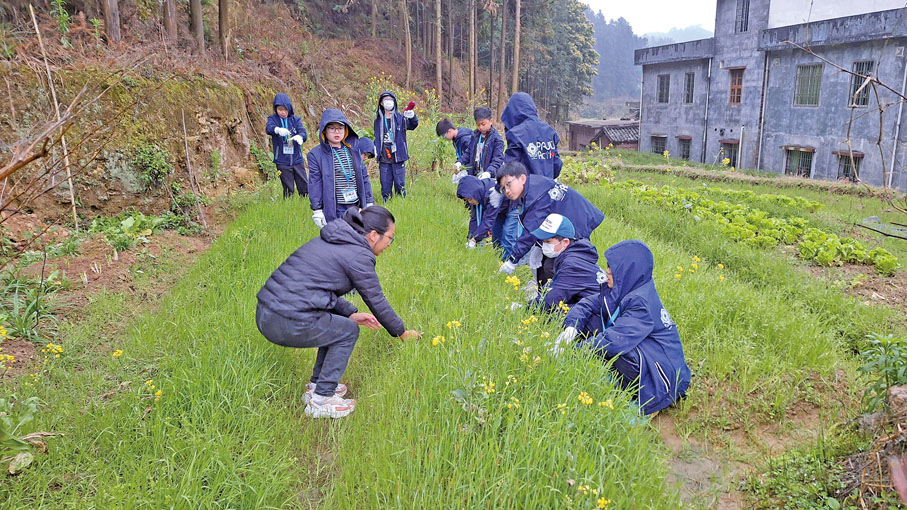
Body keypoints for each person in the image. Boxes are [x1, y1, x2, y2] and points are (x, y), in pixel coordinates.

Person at [256, 206, 422, 419]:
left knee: (337, 325)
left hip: (269, 312)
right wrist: (402, 333)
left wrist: (350, 312)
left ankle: (316, 386)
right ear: (373, 235)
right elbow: (376, 300)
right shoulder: (358, 254)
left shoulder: (338, 240)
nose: (390, 244)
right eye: (390, 237)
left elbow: (318, 289)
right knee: (347, 331)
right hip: (283, 319)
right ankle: (321, 400)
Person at [555, 239, 691, 416]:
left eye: (613, 268)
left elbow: (614, 340)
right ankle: (614, 376)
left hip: (664, 377)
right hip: (651, 354)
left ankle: (639, 397)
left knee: (620, 352)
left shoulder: (640, 302)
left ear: (627, 271)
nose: (607, 271)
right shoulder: (628, 287)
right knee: (589, 318)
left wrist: (571, 351)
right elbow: (588, 303)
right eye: (608, 266)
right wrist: (570, 329)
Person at [496, 162, 604, 290]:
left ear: (522, 178)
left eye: (508, 184)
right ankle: (545, 294)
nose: (507, 191)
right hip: (568, 221)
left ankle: (573, 295)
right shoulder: (533, 186)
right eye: (503, 188)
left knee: (566, 264)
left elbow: (531, 230)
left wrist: (512, 260)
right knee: (545, 263)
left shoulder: (537, 195)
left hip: (576, 222)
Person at [308, 109, 375, 227]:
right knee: (338, 238)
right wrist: (317, 210)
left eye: (340, 128)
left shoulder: (353, 149)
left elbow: (364, 177)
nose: (336, 131)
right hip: (336, 207)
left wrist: (369, 201)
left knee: (357, 237)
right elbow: (315, 183)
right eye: (332, 128)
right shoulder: (316, 155)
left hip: (356, 204)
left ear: (346, 129)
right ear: (324, 130)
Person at [525, 213, 602, 312]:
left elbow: (553, 298)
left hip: (595, 313)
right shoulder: (573, 255)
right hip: (588, 305)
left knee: (554, 315)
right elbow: (554, 285)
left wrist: (525, 309)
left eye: (548, 242)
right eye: (543, 241)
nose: (544, 246)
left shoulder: (573, 265)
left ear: (565, 242)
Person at [501, 92, 562, 179]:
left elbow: (511, 168)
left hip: (527, 188)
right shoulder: (549, 131)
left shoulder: (516, 134)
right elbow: (557, 164)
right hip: (548, 185)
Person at [374, 91, 418, 201]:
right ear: (381, 103)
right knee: (385, 185)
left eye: (391, 100)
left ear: (394, 102)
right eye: (386, 100)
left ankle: (401, 204)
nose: (388, 102)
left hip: (398, 157)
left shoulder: (400, 118)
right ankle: (387, 204)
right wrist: (375, 149)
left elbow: (413, 125)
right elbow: (377, 137)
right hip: (384, 157)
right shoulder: (378, 120)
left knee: (400, 184)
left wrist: (412, 117)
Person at [265, 93, 309, 198]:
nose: (283, 112)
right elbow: (269, 128)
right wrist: (277, 129)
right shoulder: (273, 119)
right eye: (280, 109)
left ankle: (305, 201)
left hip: (297, 158)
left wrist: (300, 137)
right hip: (282, 160)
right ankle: (289, 202)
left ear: (289, 108)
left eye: (285, 109)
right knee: (288, 187)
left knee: (303, 183)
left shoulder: (295, 120)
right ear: (276, 109)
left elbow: (303, 132)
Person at [455, 175, 503, 249]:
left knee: (507, 235)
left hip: (512, 207)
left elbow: (488, 220)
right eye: (467, 200)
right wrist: (470, 237)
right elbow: (475, 218)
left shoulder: (490, 194)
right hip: (499, 209)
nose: (470, 202)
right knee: (496, 235)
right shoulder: (477, 196)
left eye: (470, 199)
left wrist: (475, 239)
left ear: (475, 193)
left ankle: (511, 259)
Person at [460, 106, 505, 180]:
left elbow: (497, 160)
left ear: (491, 121)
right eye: (478, 125)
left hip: (490, 177)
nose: (480, 127)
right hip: (475, 174)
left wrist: (489, 173)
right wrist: (460, 162)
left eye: (483, 124)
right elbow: (468, 153)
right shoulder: (475, 136)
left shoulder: (497, 140)